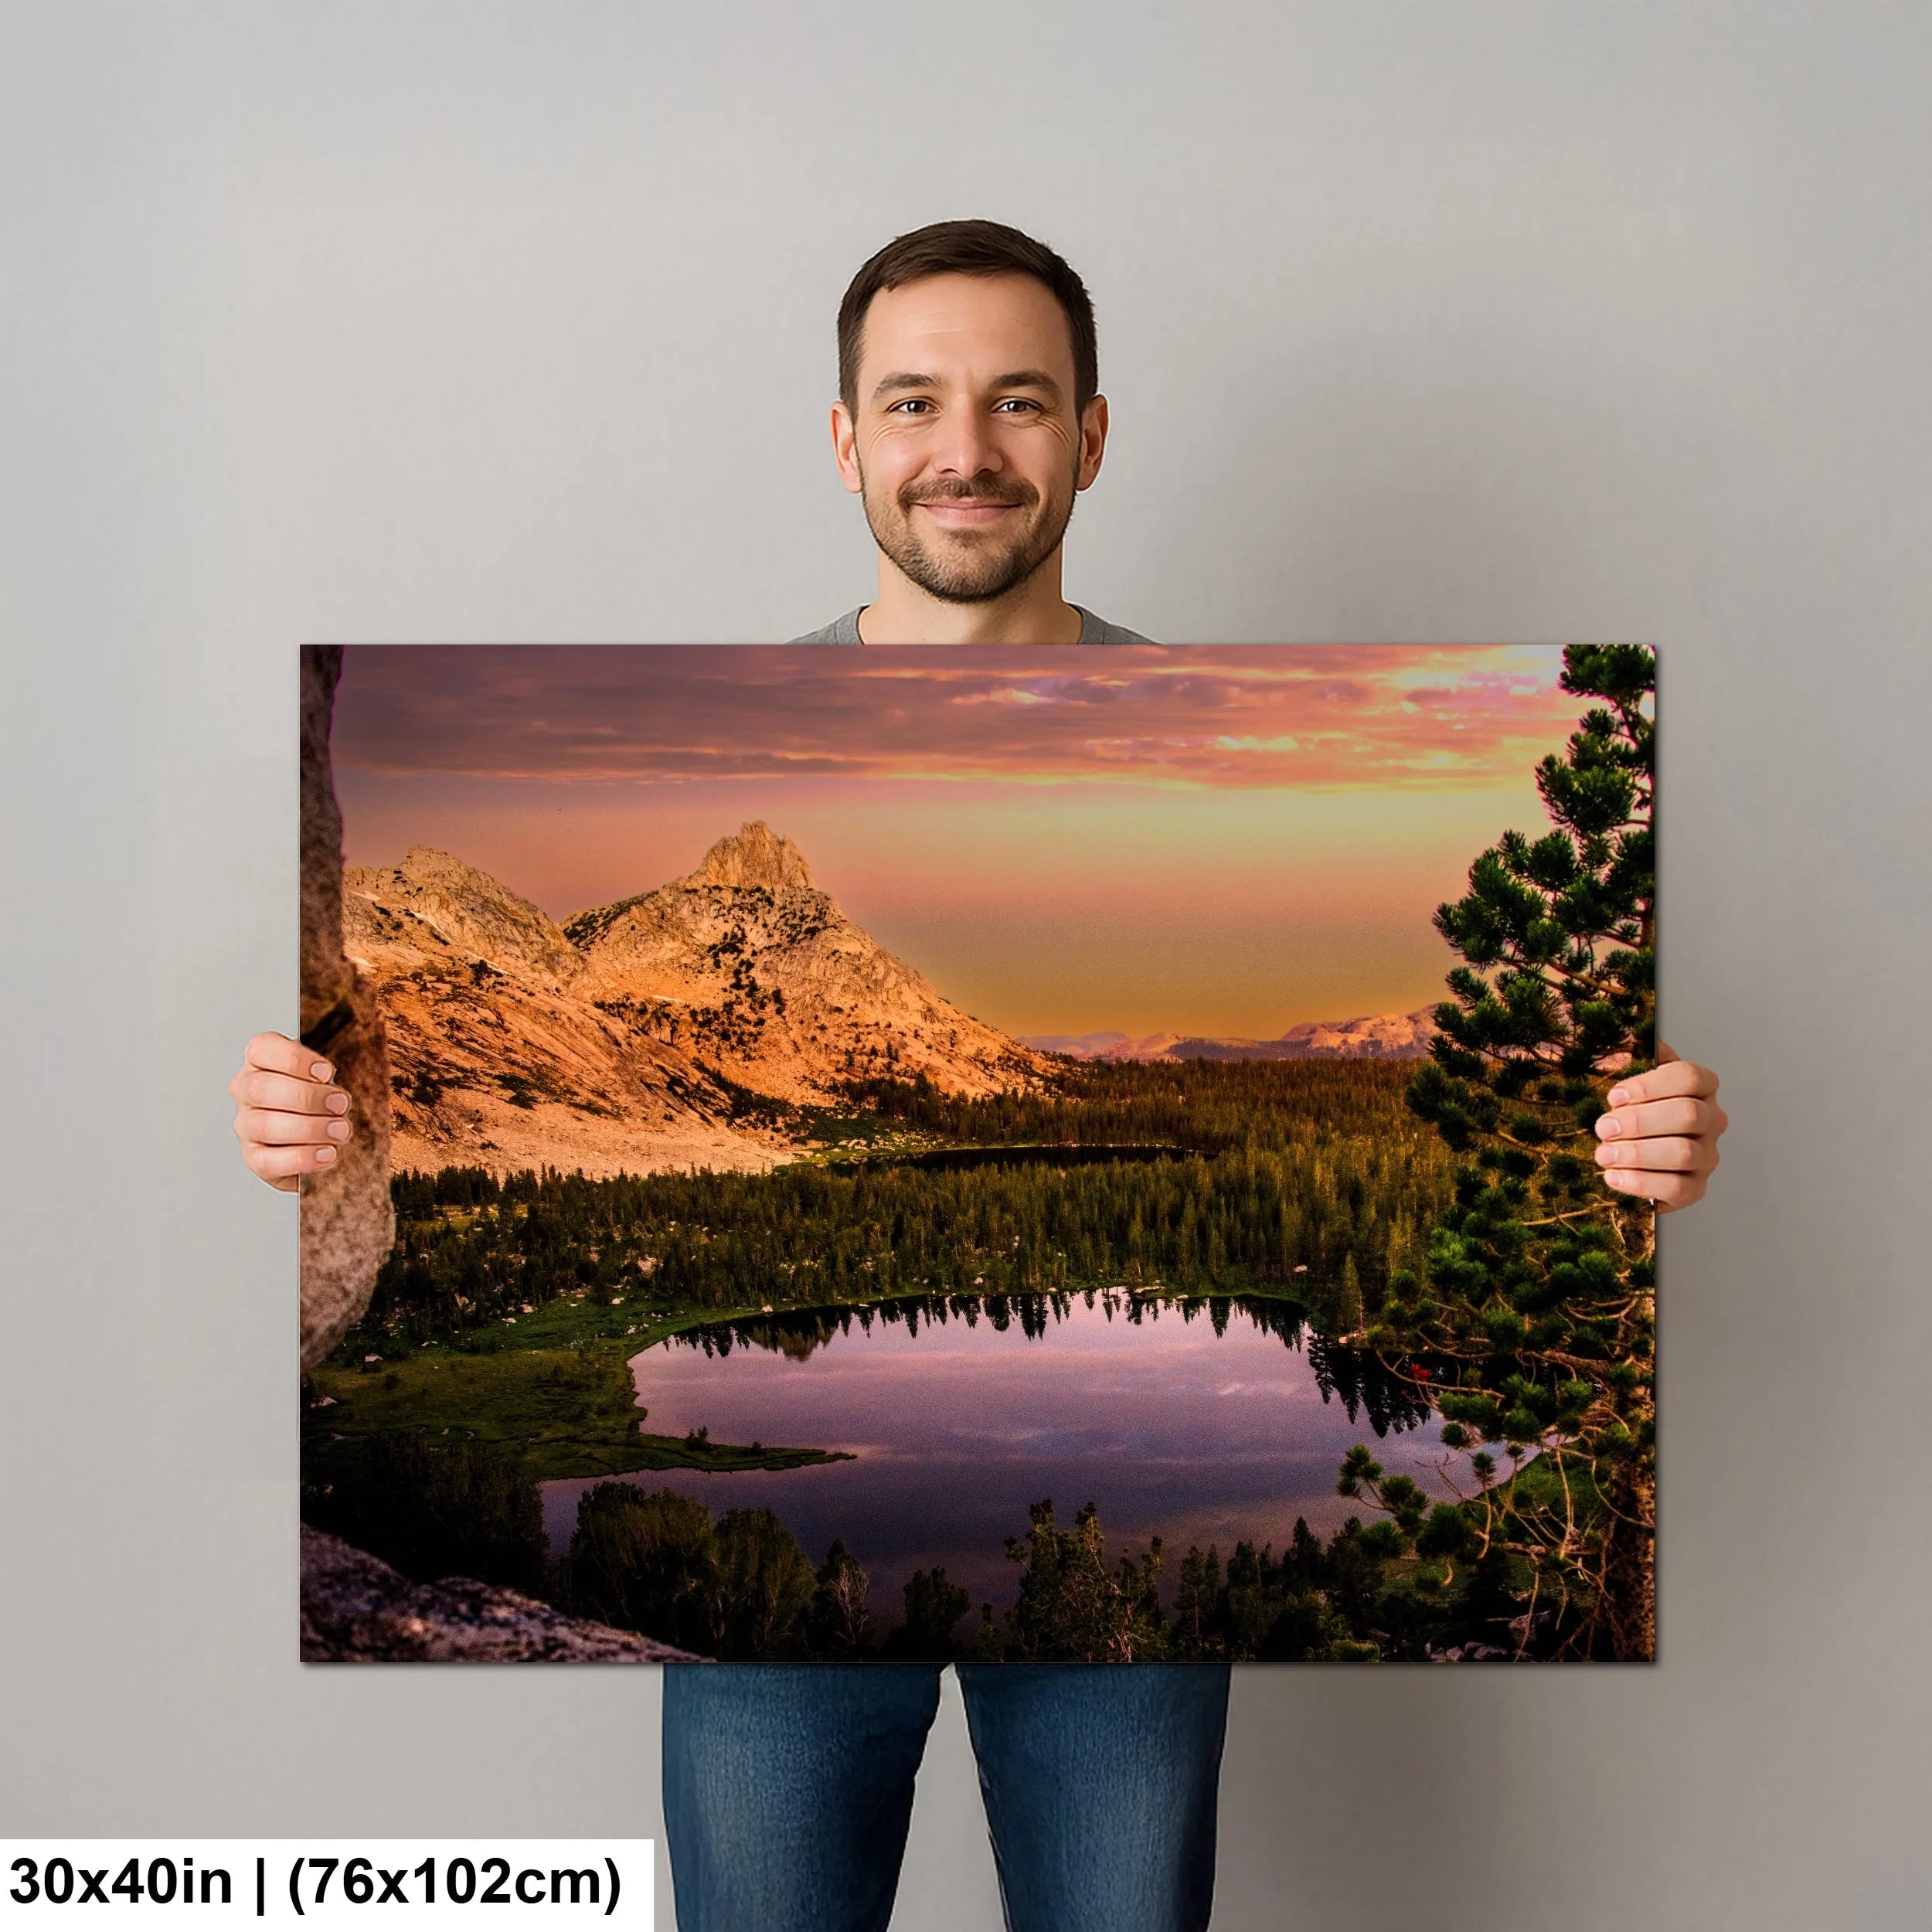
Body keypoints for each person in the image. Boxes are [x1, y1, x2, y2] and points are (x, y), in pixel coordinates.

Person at [233, 220, 1731, 1932]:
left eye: (1017, 401)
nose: (964, 449)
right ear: (845, 438)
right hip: (769, 1644)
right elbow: (397, 1098)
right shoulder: (719, 724)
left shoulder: (1206, 730)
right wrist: (316, 1122)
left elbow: (1509, 1079)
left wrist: (1624, 1141)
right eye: (915, 401)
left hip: (1116, 1632)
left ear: (1089, 436)